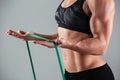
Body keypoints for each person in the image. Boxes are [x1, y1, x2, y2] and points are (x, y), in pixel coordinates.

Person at [6, 0, 115, 80]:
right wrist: (35, 36)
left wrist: (67, 45)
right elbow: (67, 36)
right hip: (69, 74)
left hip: (93, 75)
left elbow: (101, 45)